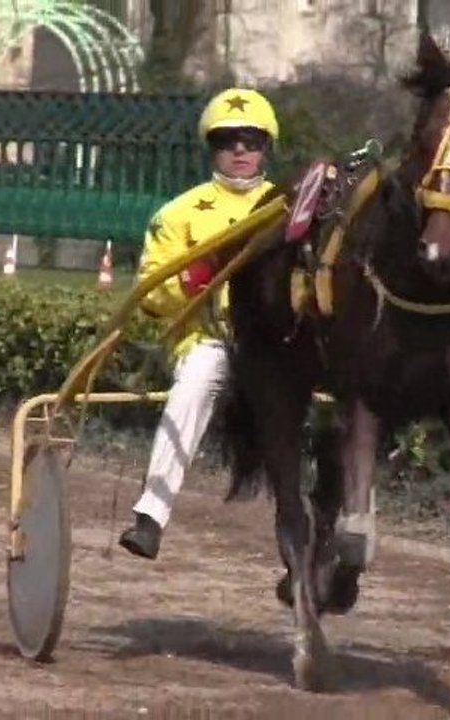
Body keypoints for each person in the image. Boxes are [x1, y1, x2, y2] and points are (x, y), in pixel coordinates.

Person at [118, 87, 280, 560]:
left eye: (251, 140)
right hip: (211, 339)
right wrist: (194, 279)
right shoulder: (178, 213)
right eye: (228, 140)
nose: (240, 150)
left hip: (280, 345)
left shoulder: (293, 207)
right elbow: (150, 292)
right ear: (212, 148)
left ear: (266, 146)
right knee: (192, 386)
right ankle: (150, 516)